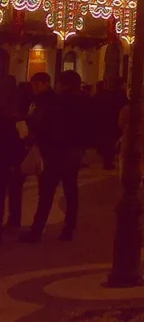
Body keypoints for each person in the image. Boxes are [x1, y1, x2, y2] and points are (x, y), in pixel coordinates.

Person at [21, 70, 91, 242]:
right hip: (74, 151)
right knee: (71, 190)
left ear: (62, 84)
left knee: (46, 193)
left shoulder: (57, 103)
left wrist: (39, 144)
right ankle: (69, 228)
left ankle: (37, 231)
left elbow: (46, 126)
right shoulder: (85, 102)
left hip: (55, 151)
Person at [118, 82, 144, 200]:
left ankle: (128, 188)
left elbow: (121, 123)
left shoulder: (127, 108)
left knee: (128, 162)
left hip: (130, 139)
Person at [0, 76, 26, 242]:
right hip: (12, 157)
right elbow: (22, 138)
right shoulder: (17, 114)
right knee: (14, 190)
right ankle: (14, 219)